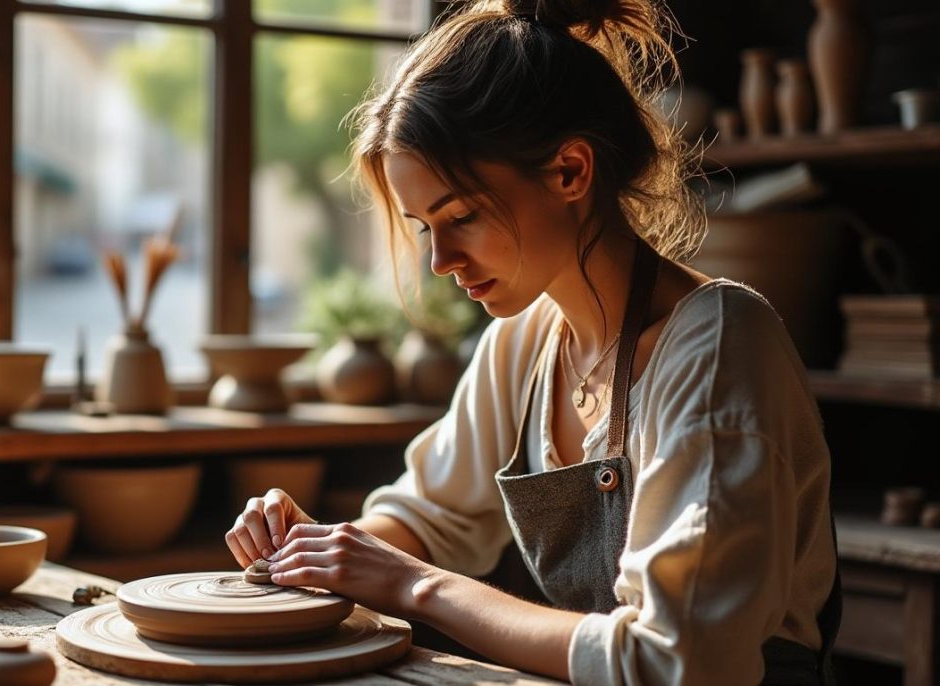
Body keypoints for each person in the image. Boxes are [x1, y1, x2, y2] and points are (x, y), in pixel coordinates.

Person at [224, 1, 840, 683]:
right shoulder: (524, 343)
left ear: (570, 172)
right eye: (427, 227)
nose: (442, 261)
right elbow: (432, 519)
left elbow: (677, 660)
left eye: (461, 216)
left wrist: (415, 585)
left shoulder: (718, 347)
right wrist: (314, 550)